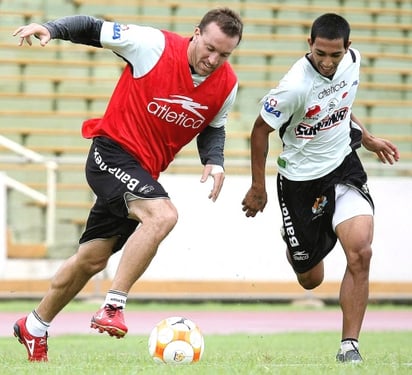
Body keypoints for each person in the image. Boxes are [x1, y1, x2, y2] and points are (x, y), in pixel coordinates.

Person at [12, 8, 243, 361]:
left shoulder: (227, 84)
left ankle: (34, 325)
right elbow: (92, 27)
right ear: (196, 33)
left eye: (224, 54)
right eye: (210, 48)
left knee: (90, 260)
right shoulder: (152, 46)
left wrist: (214, 158)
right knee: (162, 215)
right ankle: (113, 306)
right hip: (111, 154)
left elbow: (214, 125)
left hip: (143, 173)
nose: (214, 59)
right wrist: (50, 28)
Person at [241, 13, 400, 363]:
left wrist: (367, 137)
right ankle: (297, 240)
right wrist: (258, 187)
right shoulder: (293, 87)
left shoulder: (352, 64)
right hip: (299, 182)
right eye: (320, 54)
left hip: (344, 166)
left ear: (348, 49)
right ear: (309, 45)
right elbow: (258, 130)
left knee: (361, 251)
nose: (327, 63)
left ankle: (349, 346)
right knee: (310, 280)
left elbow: (342, 104)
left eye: (335, 55)